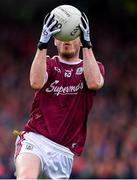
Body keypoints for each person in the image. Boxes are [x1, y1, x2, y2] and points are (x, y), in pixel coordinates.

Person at [14, 11, 105, 179]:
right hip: (36, 140)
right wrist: (41, 44)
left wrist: (88, 44)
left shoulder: (94, 67)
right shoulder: (48, 63)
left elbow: (94, 83)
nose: (66, 40)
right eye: (61, 35)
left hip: (64, 153)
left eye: (72, 34)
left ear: (80, 39)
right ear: (55, 40)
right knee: (26, 176)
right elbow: (35, 82)